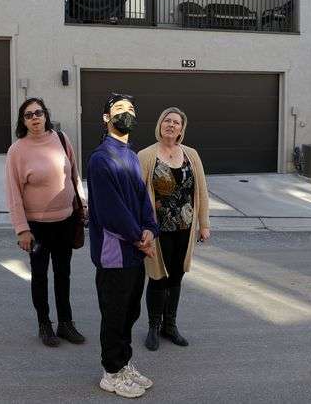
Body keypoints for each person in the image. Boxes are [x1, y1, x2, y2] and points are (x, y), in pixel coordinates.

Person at [87, 93, 159, 398]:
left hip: (134, 249)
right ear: (106, 118)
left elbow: (143, 198)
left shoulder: (131, 155)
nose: (125, 113)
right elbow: (109, 210)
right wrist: (137, 238)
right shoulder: (101, 158)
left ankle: (125, 362)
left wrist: (150, 228)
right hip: (115, 254)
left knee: (130, 312)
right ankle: (112, 372)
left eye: (130, 109)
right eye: (119, 109)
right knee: (115, 313)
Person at [5, 97, 86, 348]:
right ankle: (44, 325)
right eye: (28, 115)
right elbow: (13, 193)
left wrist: (82, 204)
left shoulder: (61, 139)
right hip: (37, 227)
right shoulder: (17, 150)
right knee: (40, 276)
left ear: (46, 115)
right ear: (23, 121)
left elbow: (74, 173)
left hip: (65, 220)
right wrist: (22, 229)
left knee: (64, 274)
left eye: (38, 112)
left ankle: (65, 323)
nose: (35, 118)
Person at [137, 107, 211, 351]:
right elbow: (138, 195)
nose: (171, 125)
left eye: (176, 122)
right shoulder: (146, 155)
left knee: (177, 276)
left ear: (182, 128)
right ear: (160, 125)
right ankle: (153, 327)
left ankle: (170, 325)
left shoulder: (191, 155)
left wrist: (204, 224)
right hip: (157, 231)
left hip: (184, 229)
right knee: (158, 278)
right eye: (167, 121)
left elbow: (201, 190)